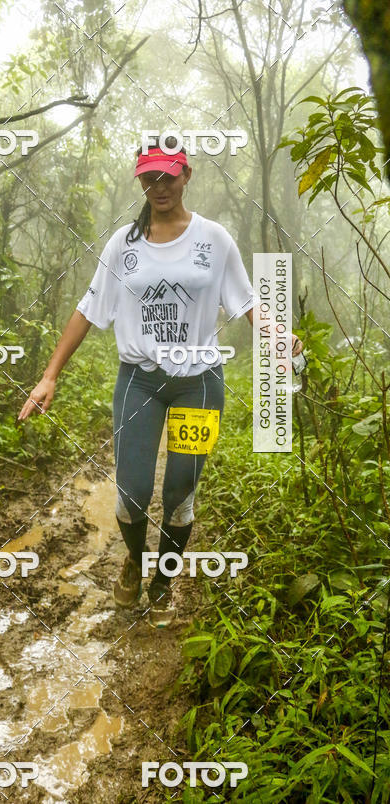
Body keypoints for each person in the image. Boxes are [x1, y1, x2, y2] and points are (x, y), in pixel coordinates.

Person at [17, 139, 303, 628]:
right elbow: (88, 308)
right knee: (130, 494)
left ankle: (164, 582)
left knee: (180, 493)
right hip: (140, 381)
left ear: (186, 175)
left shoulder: (214, 239)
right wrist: (48, 376)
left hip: (200, 382)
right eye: (149, 177)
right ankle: (134, 560)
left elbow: (246, 300)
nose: (158, 186)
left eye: (168, 176)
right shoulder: (122, 245)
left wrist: (279, 335)